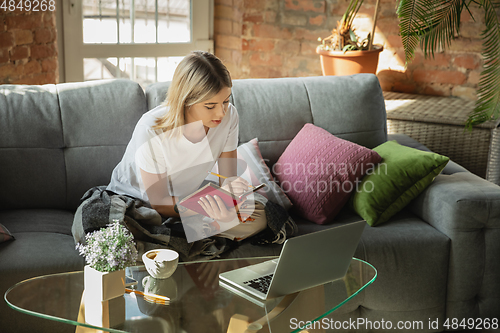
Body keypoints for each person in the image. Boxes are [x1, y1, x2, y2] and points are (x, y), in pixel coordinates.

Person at [106, 51, 267, 242]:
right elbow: (159, 202)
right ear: (186, 101)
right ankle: (194, 233)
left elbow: (227, 179)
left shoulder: (229, 116)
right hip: (139, 204)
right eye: (210, 106)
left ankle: (187, 234)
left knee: (258, 216)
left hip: (189, 199)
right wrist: (211, 211)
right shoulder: (150, 129)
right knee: (127, 231)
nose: (222, 112)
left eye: (226, 101)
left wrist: (232, 199)